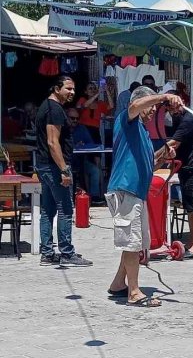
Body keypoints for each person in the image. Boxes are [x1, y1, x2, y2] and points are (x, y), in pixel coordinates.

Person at [105, 86, 182, 307]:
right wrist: (164, 96)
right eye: (151, 106)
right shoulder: (126, 120)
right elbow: (134, 106)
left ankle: (119, 283)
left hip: (137, 191)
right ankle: (134, 292)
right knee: (132, 243)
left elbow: (151, 163)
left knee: (135, 242)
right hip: (125, 188)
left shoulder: (144, 134)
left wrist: (164, 155)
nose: (153, 111)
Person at [35, 76, 92, 266]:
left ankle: (47, 253)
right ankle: (66, 252)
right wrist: (64, 170)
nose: (72, 93)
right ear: (57, 88)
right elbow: (53, 142)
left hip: (46, 165)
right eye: (68, 89)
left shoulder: (48, 107)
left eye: (74, 89)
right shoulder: (54, 110)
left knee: (48, 209)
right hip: (54, 167)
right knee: (65, 209)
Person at [161, 99, 193, 258]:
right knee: (189, 207)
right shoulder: (178, 118)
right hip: (186, 169)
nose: (169, 109)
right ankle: (191, 242)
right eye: (167, 107)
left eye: (170, 105)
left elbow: (174, 142)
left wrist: (153, 156)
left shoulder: (189, 119)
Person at [68, 108, 103, 203]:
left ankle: (94, 197)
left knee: (95, 170)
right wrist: (74, 145)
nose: (75, 120)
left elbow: (91, 144)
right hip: (66, 161)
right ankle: (69, 199)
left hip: (82, 160)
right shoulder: (62, 129)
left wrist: (83, 145)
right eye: (72, 118)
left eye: (77, 118)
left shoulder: (82, 128)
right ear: (66, 118)